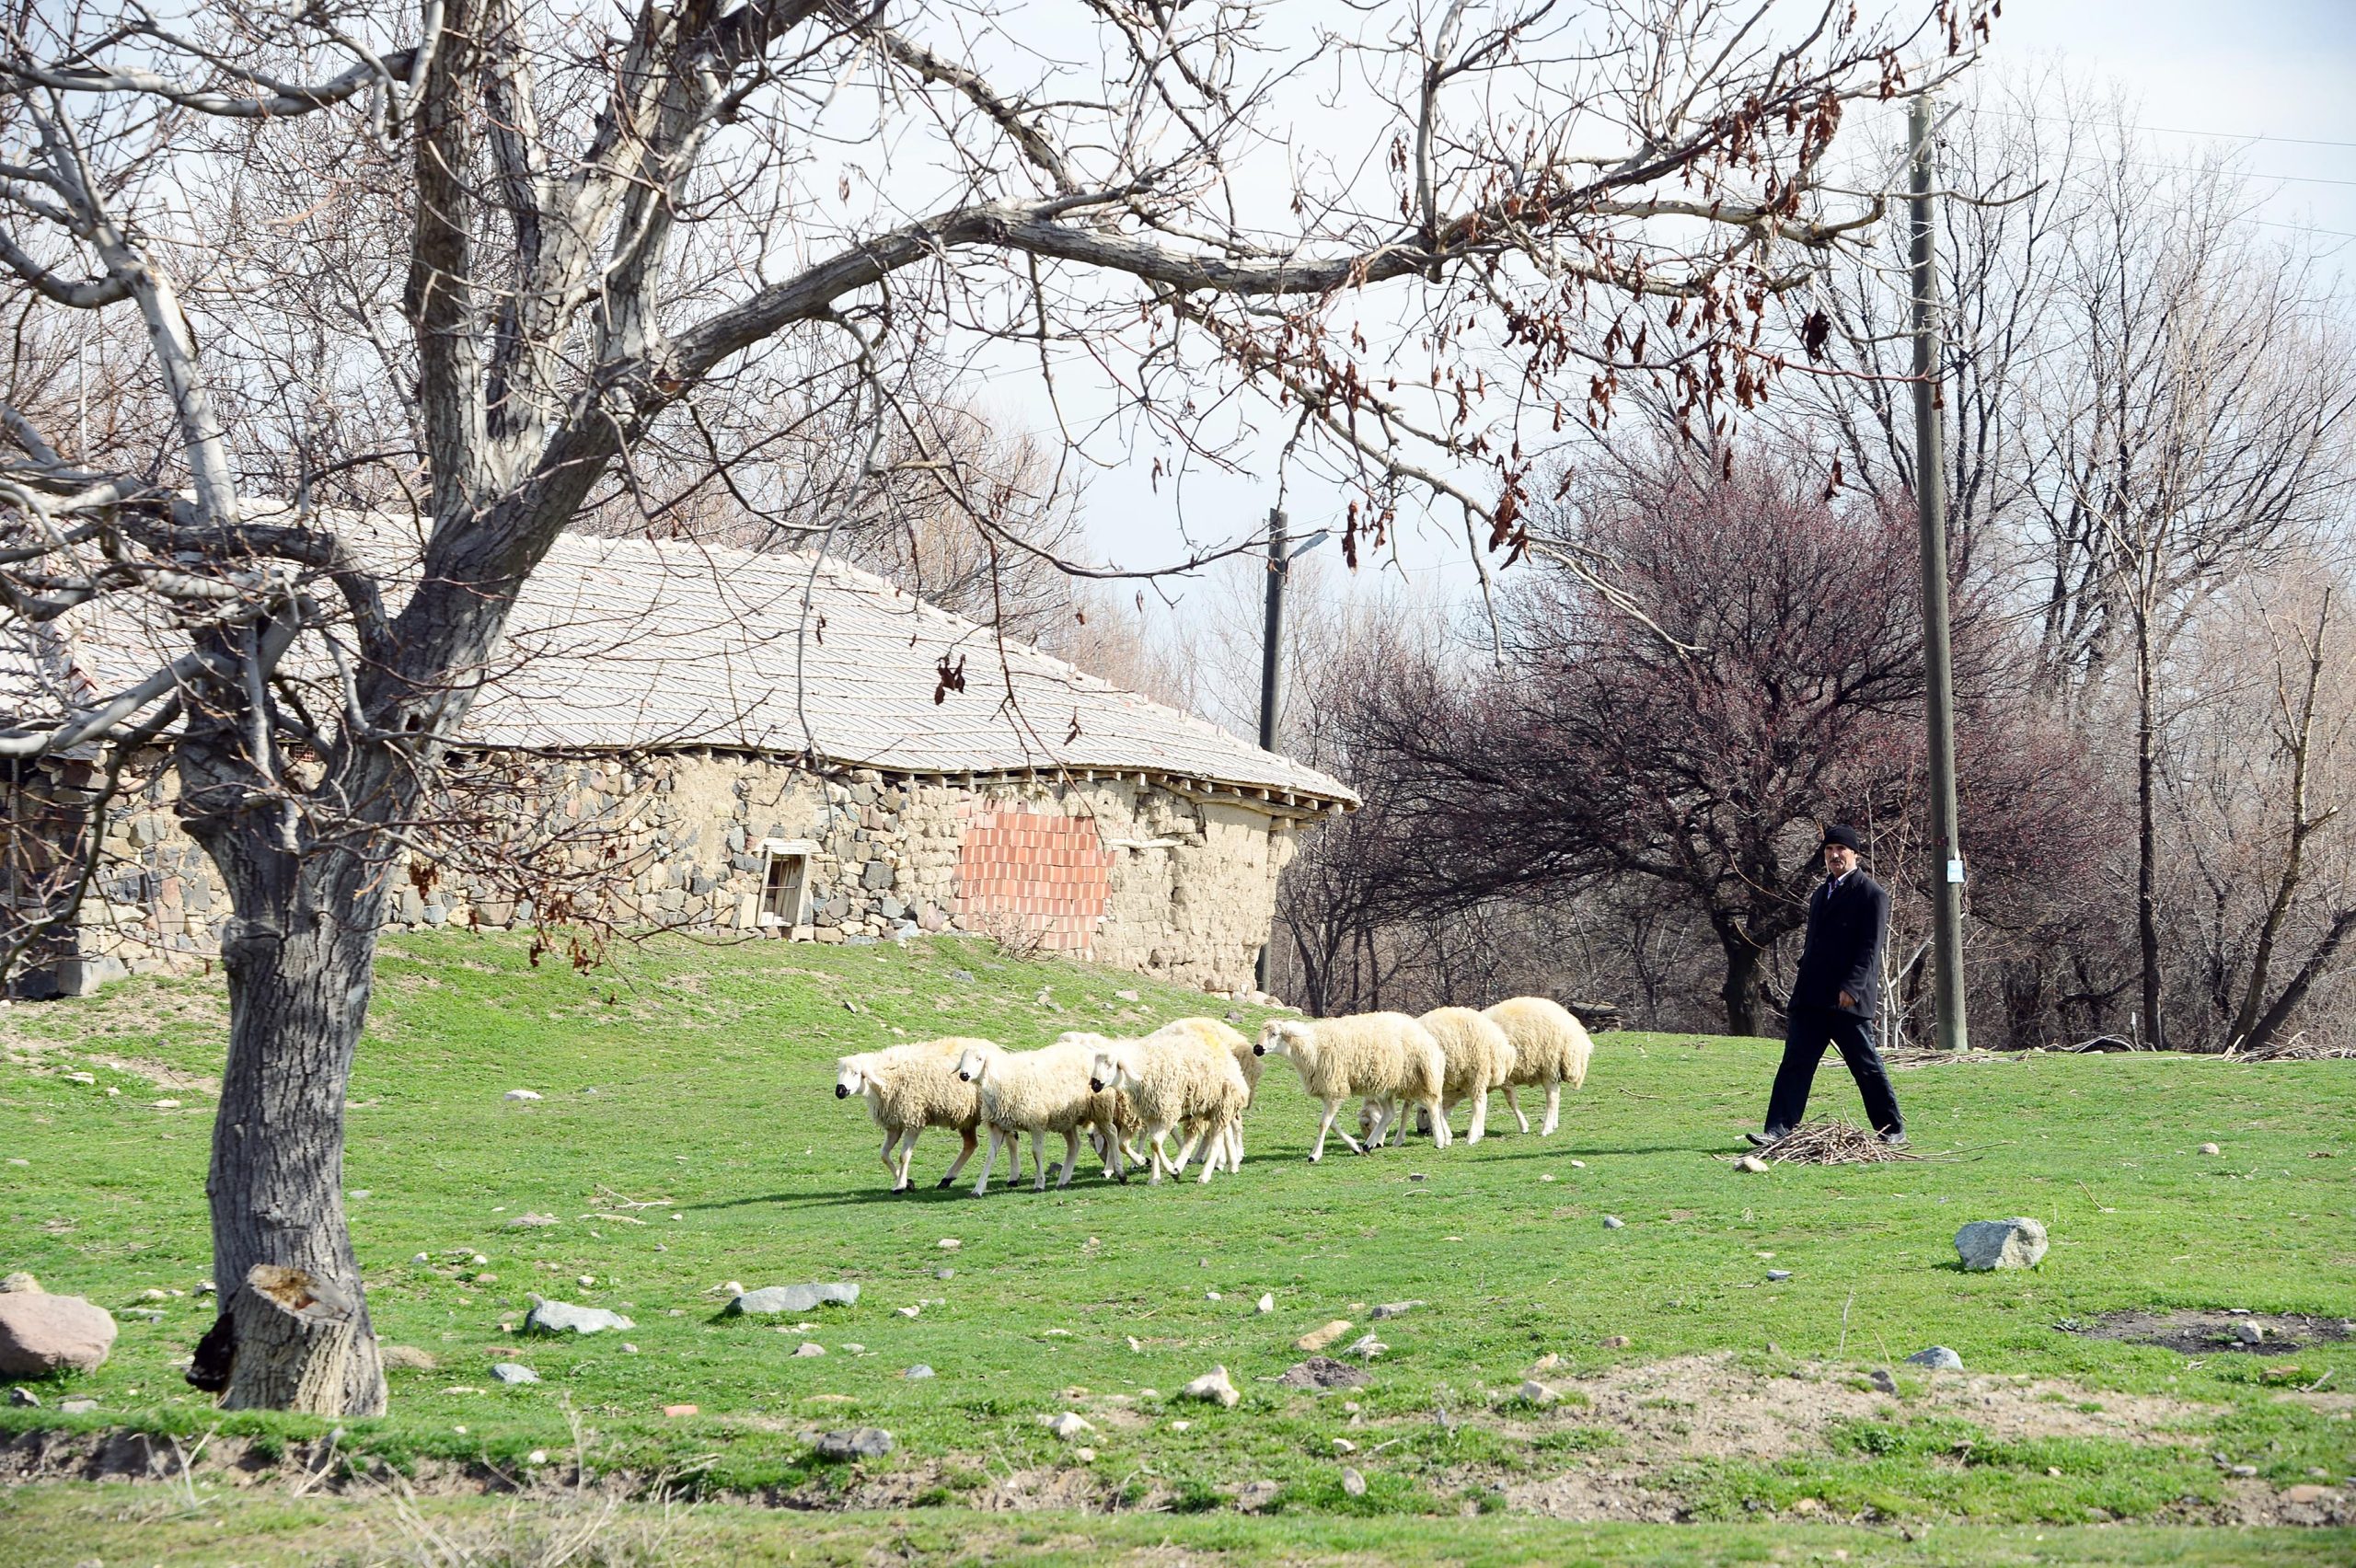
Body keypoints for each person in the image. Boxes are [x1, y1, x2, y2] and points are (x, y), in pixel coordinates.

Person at [1750, 824, 1905, 1147]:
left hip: (1846, 999)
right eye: (1829, 850)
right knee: (1795, 1063)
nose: (1835, 856)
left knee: (1866, 1066)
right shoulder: (1821, 893)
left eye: (1841, 850)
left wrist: (1852, 987)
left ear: (1855, 855)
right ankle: (1777, 1130)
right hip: (1811, 997)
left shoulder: (1871, 894)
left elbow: (1869, 947)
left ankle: (1892, 1130)